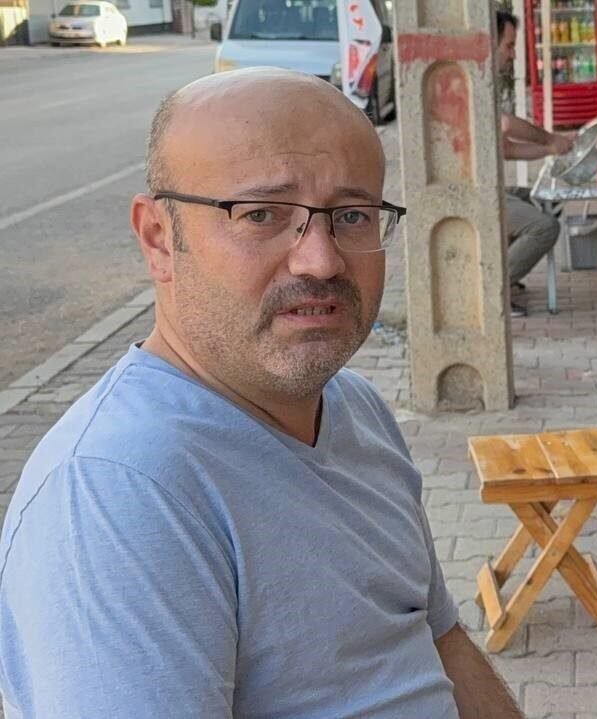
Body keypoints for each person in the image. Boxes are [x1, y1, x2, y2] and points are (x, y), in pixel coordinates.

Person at [0, 68, 523, 718]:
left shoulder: (354, 408)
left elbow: (439, 639)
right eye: (261, 214)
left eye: (352, 215)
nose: (321, 260)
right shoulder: (119, 493)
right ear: (159, 239)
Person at [495, 9, 574, 317]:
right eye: (509, 46)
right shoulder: (476, 80)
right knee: (544, 227)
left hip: (490, 188)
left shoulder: (487, 81)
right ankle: (495, 291)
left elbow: (506, 149)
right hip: (474, 195)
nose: (513, 55)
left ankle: (504, 273)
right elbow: (506, 125)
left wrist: (550, 149)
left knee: (541, 199)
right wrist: (549, 138)